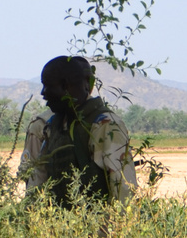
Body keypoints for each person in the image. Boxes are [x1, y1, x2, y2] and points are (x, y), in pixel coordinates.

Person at [19, 55, 138, 206]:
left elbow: (123, 191)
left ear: (65, 86)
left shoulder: (104, 125)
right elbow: (38, 182)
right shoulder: (54, 125)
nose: (43, 93)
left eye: (48, 86)